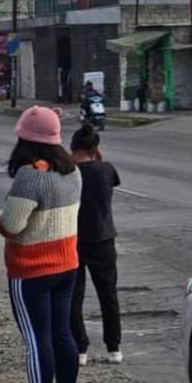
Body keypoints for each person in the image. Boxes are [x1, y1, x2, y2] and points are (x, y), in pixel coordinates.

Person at [0, 106, 83, 383]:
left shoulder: (30, 175)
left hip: (31, 268)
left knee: (37, 338)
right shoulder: (72, 170)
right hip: (67, 263)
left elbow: (12, 224)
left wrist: (4, 226)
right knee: (62, 333)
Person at [68, 124, 122, 366]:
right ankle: (114, 347)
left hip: (74, 240)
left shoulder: (69, 173)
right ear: (95, 148)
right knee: (108, 294)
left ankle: (80, 349)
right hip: (103, 238)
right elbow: (111, 180)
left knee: (74, 296)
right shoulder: (106, 169)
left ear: (72, 148)